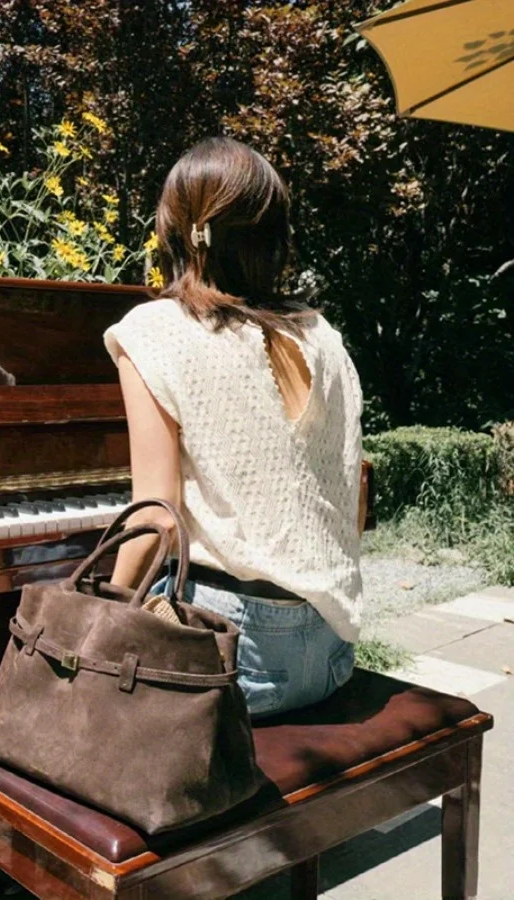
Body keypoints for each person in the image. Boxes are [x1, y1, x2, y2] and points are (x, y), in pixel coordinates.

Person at [103, 136, 365, 719]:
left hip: (235, 659)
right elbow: (348, 491)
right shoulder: (324, 336)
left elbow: (153, 518)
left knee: (82, 705)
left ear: (180, 229)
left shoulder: (155, 330)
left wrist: (104, 620)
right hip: (330, 653)